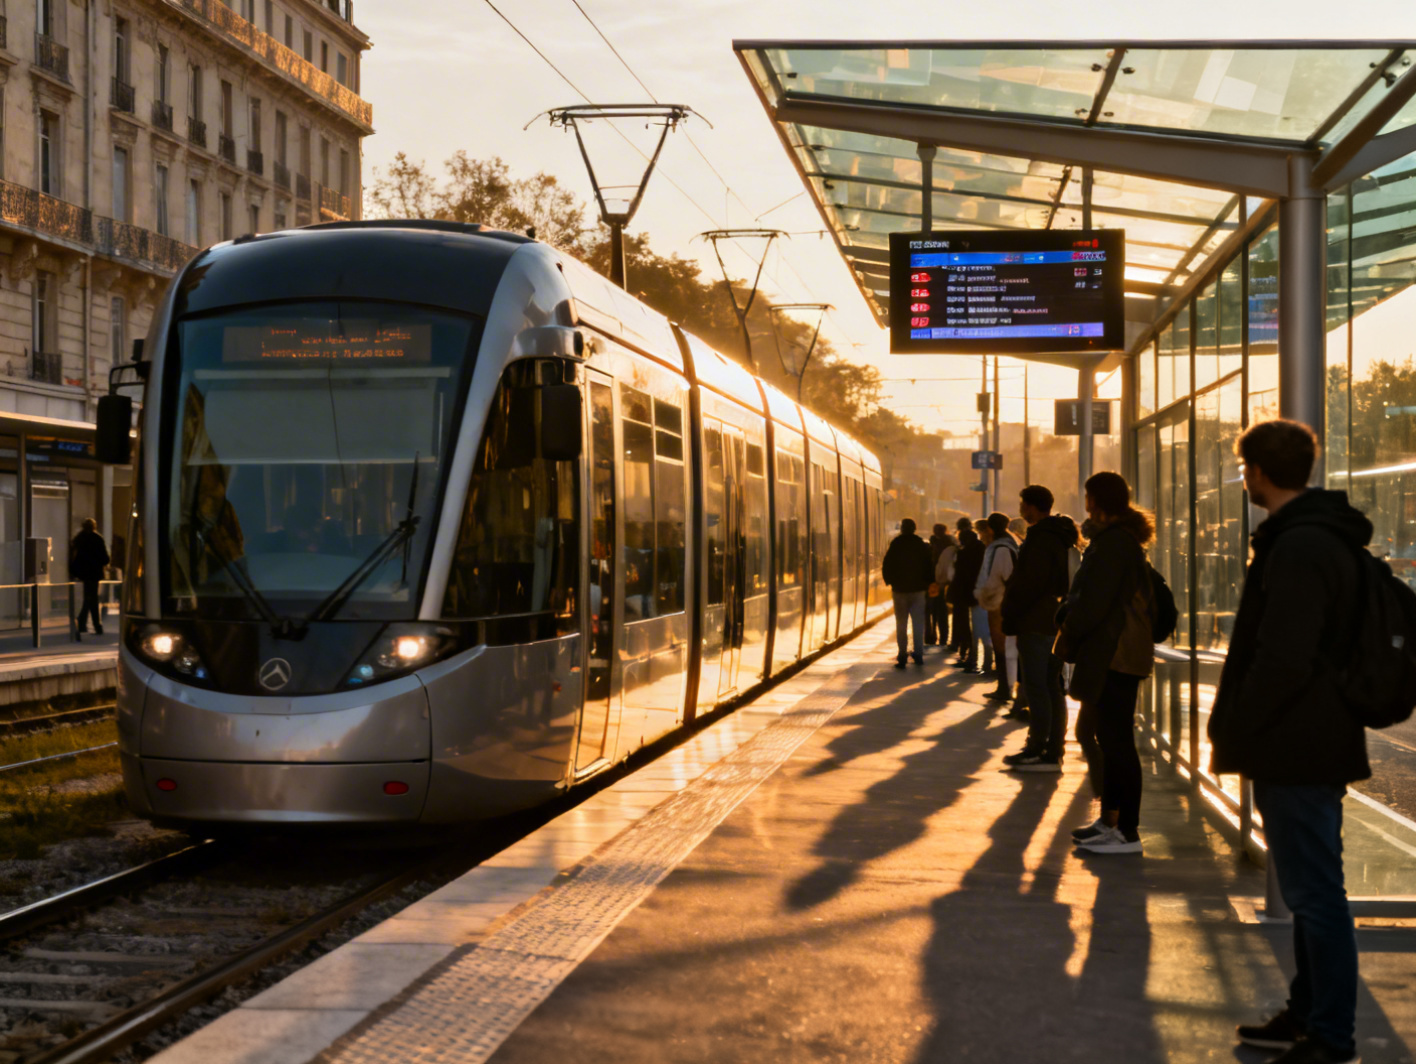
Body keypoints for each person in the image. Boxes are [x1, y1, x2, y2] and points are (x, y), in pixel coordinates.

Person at [1209, 420, 1368, 1064]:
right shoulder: (1315, 537)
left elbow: (1284, 657)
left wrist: (1238, 724)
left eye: (1244, 467)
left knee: (1316, 894)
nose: (1243, 477)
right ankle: (1308, 1012)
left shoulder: (1299, 546)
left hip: (1298, 741)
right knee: (1309, 889)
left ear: (1260, 472)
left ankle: (1331, 1034)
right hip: (1312, 736)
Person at [1059, 472, 1154, 855]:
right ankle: (1110, 821)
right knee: (1109, 740)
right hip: (1115, 651)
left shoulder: (1112, 544)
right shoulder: (1119, 541)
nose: (1085, 502)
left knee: (1117, 743)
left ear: (1095, 500)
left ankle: (1126, 831)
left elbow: (1094, 601)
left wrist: (1067, 626)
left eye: (1087, 496)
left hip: (1114, 652)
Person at [1001, 486, 1079, 771]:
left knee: (1036, 686)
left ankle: (1038, 748)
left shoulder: (1040, 540)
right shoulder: (1060, 536)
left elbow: (1028, 585)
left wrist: (1011, 615)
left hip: (1035, 622)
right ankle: (1053, 750)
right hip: (1055, 621)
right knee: (1052, 687)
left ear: (1032, 507)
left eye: (1023, 504)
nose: (1021, 509)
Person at [974, 512, 1018, 702]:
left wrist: (985, 594)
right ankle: (1004, 687)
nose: (981, 536)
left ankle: (1005, 689)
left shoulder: (1000, 549)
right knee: (1001, 647)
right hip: (1000, 602)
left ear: (990, 530)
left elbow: (1003, 577)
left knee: (1002, 648)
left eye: (983, 531)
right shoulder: (1006, 545)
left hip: (999, 604)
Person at [881, 517, 934, 669]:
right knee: (918, 623)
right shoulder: (921, 545)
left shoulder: (896, 544)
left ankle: (902, 654)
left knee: (901, 623)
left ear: (902, 529)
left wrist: (890, 581)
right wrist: (928, 583)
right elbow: (929, 566)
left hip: (900, 590)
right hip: (918, 590)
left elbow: (887, 563)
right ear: (915, 529)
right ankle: (918, 653)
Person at [948, 525, 983, 669]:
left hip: (963, 594)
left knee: (964, 625)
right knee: (976, 626)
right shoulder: (983, 550)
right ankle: (973, 656)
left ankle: (966, 654)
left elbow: (958, 576)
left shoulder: (962, 553)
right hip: (977, 592)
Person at [70, 518, 111, 638]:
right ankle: (95, 626)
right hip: (94, 574)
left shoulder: (79, 539)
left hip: (82, 574)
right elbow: (105, 558)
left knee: (88, 599)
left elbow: (73, 554)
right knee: (92, 599)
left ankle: (82, 623)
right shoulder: (98, 539)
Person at [925, 523, 950, 646]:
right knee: (942, 612)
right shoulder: (950, 545)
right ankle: (943, 638)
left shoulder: (930, 545)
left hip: (932, 583)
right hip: (945, 583)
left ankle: (930, 635)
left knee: (930, 610)